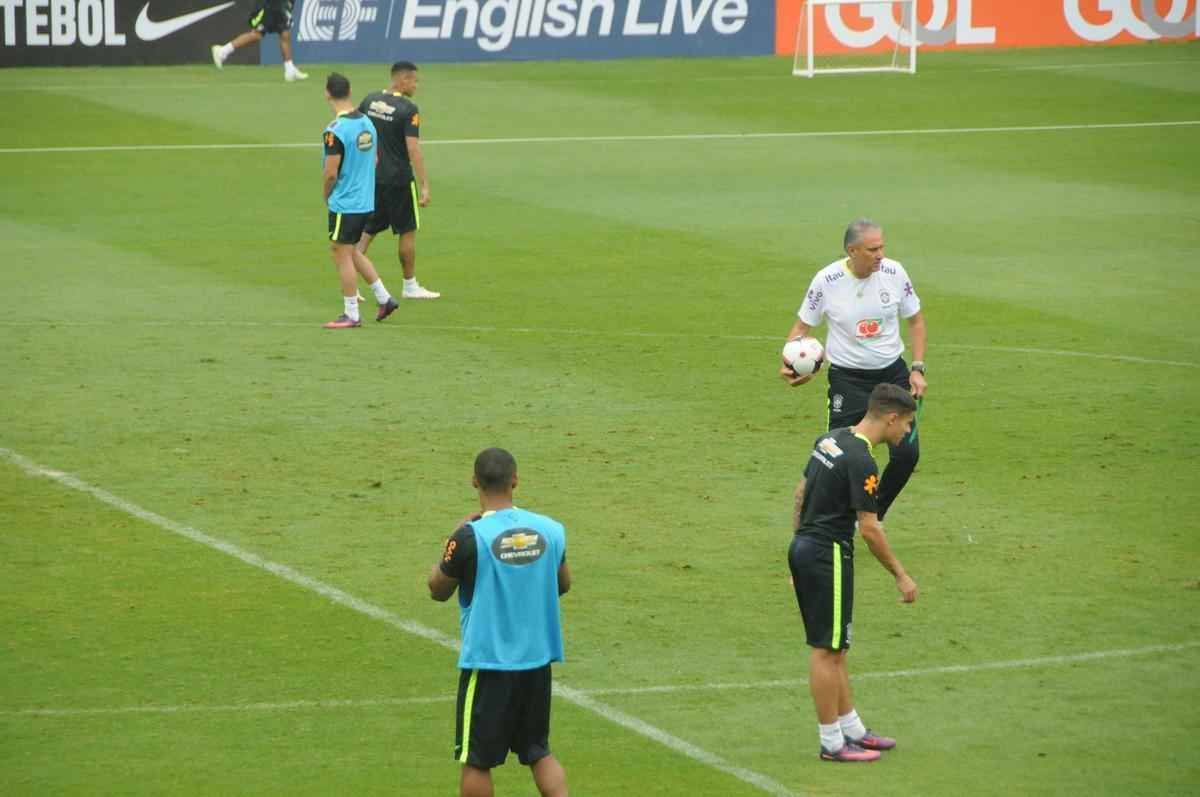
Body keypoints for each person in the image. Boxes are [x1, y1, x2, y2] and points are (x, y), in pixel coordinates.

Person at [788, 383, 920, 762]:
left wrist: (798, 547)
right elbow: (870, 528)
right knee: (826, 650)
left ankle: (853, 729)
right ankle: (831, 742)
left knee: (837, 646)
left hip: (807, 548)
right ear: (891, 417)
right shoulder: (863, 460)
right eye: (907, 424)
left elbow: (801, 491)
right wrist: (900, 574)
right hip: (827, 553)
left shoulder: (831, 439)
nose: (906, 432)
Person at [429, 448, 570, 797]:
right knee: (539, 752)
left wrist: (453, 535)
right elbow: (562, 584)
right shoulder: (551, 530)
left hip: (489, 663)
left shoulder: (468, 536)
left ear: (475, 481)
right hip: (536, 662)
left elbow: (437, 589)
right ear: (515, 479)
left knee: (477, 760)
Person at [780, 218, 928, 521]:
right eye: (872, 249)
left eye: (882, 247)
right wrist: (790, 365)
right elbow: (801, 327)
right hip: (848, 380)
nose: (880, 254)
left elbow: (916, 321)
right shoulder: (827, 280)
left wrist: (917, 369)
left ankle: (872, 515)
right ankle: (814, 522)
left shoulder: (894, 273)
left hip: (893, 377)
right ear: (852, 250)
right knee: (837, 454)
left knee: (907, 454)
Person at [320, 73, 399, 330]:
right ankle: (384, 298)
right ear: (350, 91)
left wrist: (327, 194)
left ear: (327, 93)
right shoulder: (366, 122)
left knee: (340, 252)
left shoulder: (335, 130)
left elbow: (331, 172)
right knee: (352, 249)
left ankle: (351, 313)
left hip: (346, 202)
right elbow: (375, 159)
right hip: (365, 199)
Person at [356, 61, 439, 300]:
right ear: (402, 80)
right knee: (407, 230)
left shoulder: (370, 100)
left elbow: (360, 134)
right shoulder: (408, 109)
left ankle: (353, 283)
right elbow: (413, 150)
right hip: (400, 180)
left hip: (374, 177)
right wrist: (424, 185)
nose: (416, 85)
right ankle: (410, 285)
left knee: (368, 230)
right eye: (414, 80)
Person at [210, 0, 308, 82]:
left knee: (284, 33)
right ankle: (222, 51)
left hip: (281, 4)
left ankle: (289, 69)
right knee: (257, 35)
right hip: (269, 5)